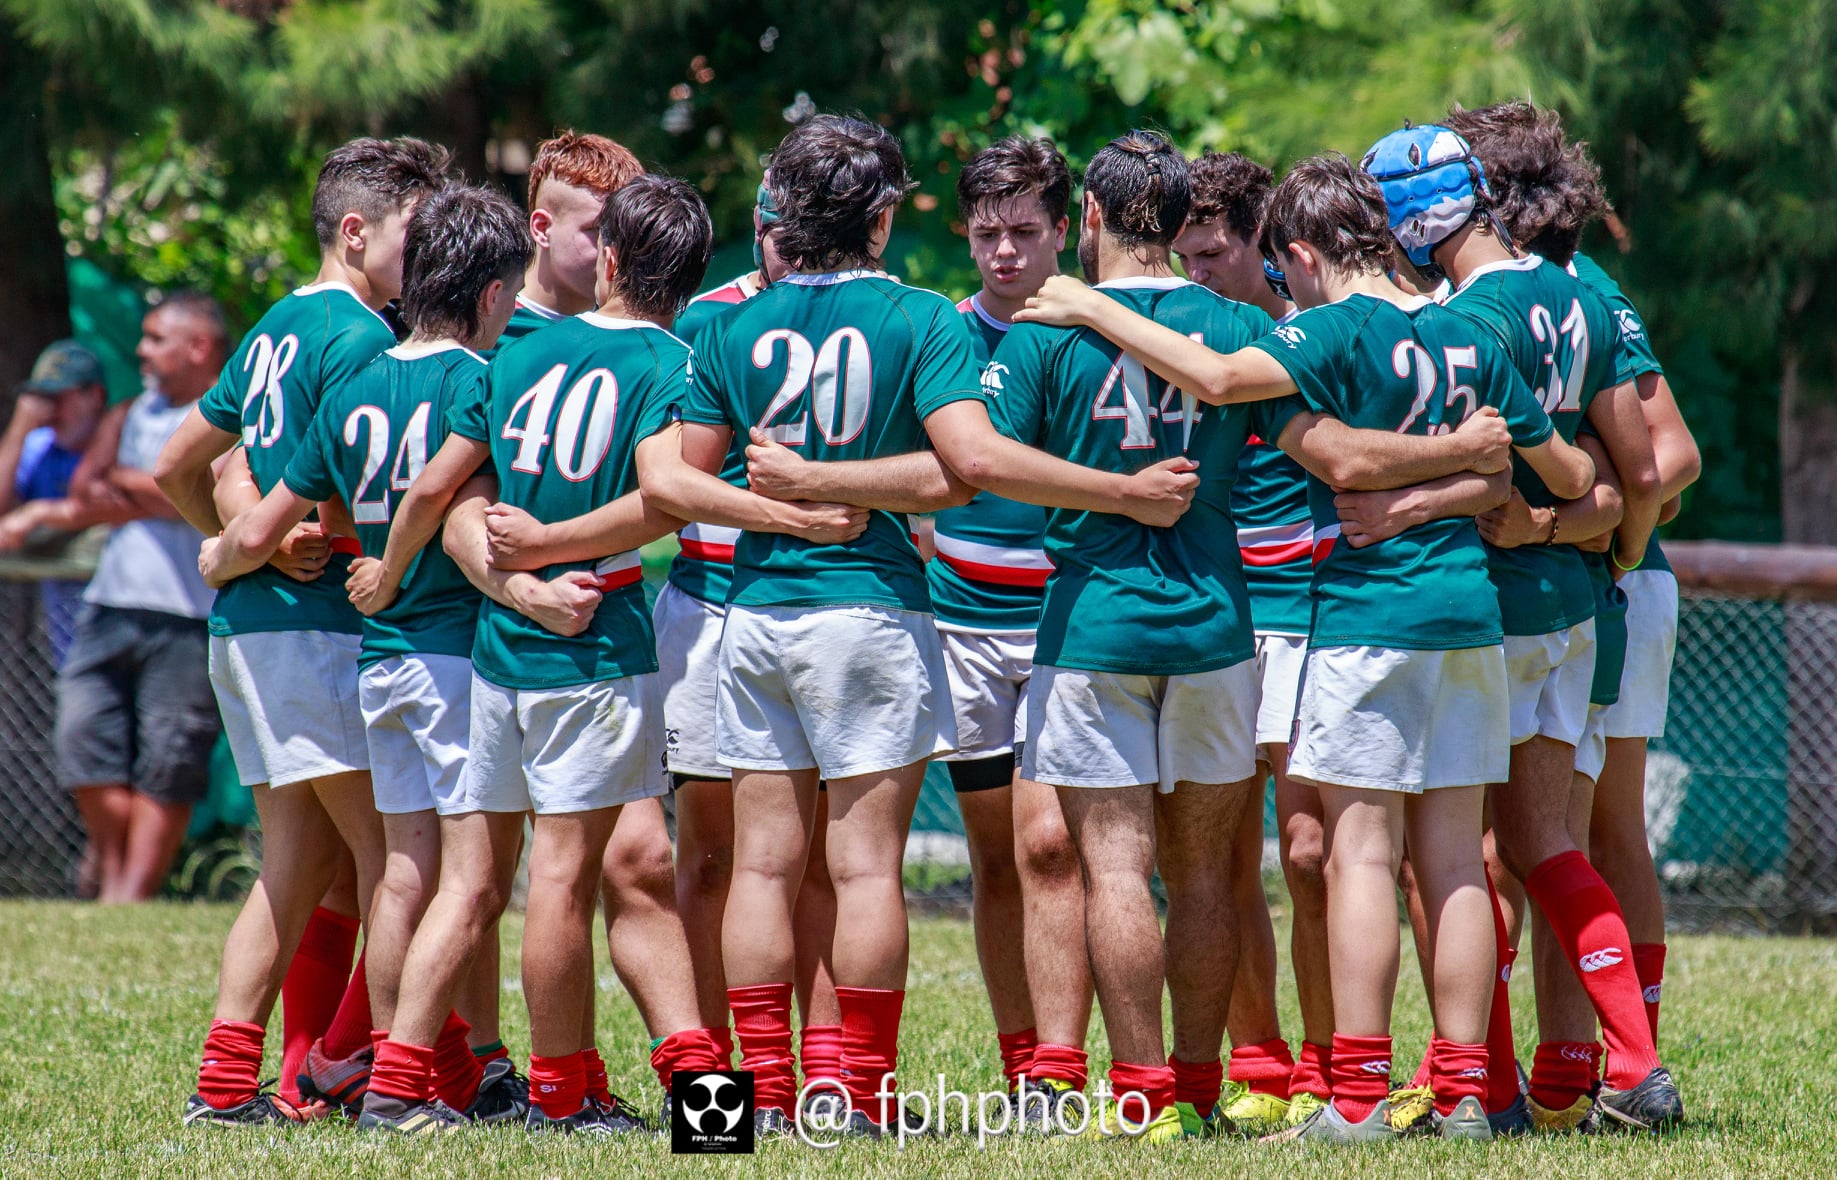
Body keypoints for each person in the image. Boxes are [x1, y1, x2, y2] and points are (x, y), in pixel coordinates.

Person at [1003, 140, 1565, 1142]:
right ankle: (1465, 1088)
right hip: (1389, 620)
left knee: (1237, 861)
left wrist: (1091, 308)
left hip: (1236, 622)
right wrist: (1450, 478)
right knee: (1440, 865)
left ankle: (1286, 1094)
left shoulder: (1292, 332)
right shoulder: (1457, 329)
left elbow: (1278, 417)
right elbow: (1533, 472)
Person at [357, 173, 728, 1135]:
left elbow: (439, 494)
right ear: (687, 279)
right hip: (592, 644)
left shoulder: (513, 352)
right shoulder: (674, 363)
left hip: (495, 655)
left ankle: (395, 1085)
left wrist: (433, 577)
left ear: (607, 258)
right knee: (566, 883)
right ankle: (573, 1098)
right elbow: (667, 497)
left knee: (476, 883)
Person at [196, 184, 537, 1132]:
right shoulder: (479, 376)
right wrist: (390, 565)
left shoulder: (356, 382)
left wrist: (224, 553)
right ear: (491, 296)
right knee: (470, 883)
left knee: (399, 873)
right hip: (444, 651)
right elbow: (436, 488)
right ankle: (398, 1081)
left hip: (377, 662)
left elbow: (260, 502)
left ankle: (389, 1071)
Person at [1364, 121, 1682, 1132]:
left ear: (1415, 219)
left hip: (1486, 611)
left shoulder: (1460, 320)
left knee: (1447, 856)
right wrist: (1614, 552)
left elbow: (1459, 469)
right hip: (1580, 611)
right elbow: (1634, 473)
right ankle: (1625, 1064)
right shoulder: (1584, 297)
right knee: (1548, 841)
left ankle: (1488, 1086)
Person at [157, 136, 452, 1127]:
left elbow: (177, 463)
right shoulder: (368, 339)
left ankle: (231, 1082)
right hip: (314, 630)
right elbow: (370, 488)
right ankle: (366, 1070)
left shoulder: (279, 320)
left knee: (297, 863)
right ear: (357, 231)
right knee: (397, 860)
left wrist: (238, 545)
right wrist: (268, 543)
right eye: (418, 234)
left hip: (248, 629)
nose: (432, 255)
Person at [1443, 100, 1699, 1053]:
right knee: (1532, 839)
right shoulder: (1535, 291)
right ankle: (1563, 1069)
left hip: (1607, 580)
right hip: (1582, 574)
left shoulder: (1573, 288)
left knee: (1591, 830)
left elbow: (1669, 459)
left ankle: (1622, 1057)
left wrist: (1582, 530)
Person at [910, 135, 1090, 1117]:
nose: (1006, 251)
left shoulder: (1097, 330)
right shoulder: (939, 332)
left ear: (1065, 229)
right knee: (994, 860)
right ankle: (1021, 1064)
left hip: (1069, 624)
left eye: (1025, 230)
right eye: (987, 233)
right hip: (961, 627)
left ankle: (1062, 1071)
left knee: (1051, 848)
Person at [1171, 151, 1320, 1133]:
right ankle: (1261, 1060)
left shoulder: (1306, 334)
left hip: (1313, 608)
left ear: (1266, 248)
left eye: (1213, 254)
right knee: (1214, 859)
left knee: (1311, 851)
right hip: (1218, 613)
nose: (1196, 276)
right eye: (1181, 257)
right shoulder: (1171, 340)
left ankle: (1335, 1059)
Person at [49, 297, 226, 903]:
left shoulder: (225, 413)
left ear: (198, 346)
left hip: (191, 615)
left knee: (170, 760)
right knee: (80, 738)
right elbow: (82, 488)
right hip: (109, 606)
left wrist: (135, 484)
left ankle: (128, 896)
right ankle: (115, 867)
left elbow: (223, 491)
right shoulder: (128, 412)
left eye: (155, 339)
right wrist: (169, 486)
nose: (141, 351)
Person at [0, 340, 111, 664]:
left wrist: (39, 513)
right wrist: (20, 428)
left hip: (128, 617)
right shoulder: (39, 444)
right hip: (67, 629)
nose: (48, 411)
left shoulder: (121, 440)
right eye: (40, 398)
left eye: (57, 397)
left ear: (95, 396)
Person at [489, 131, 644, 350]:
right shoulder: (487, 335)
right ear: (542, 228)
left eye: (627, 232)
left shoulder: (637, 338)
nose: (616, 251)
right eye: (599, 230)